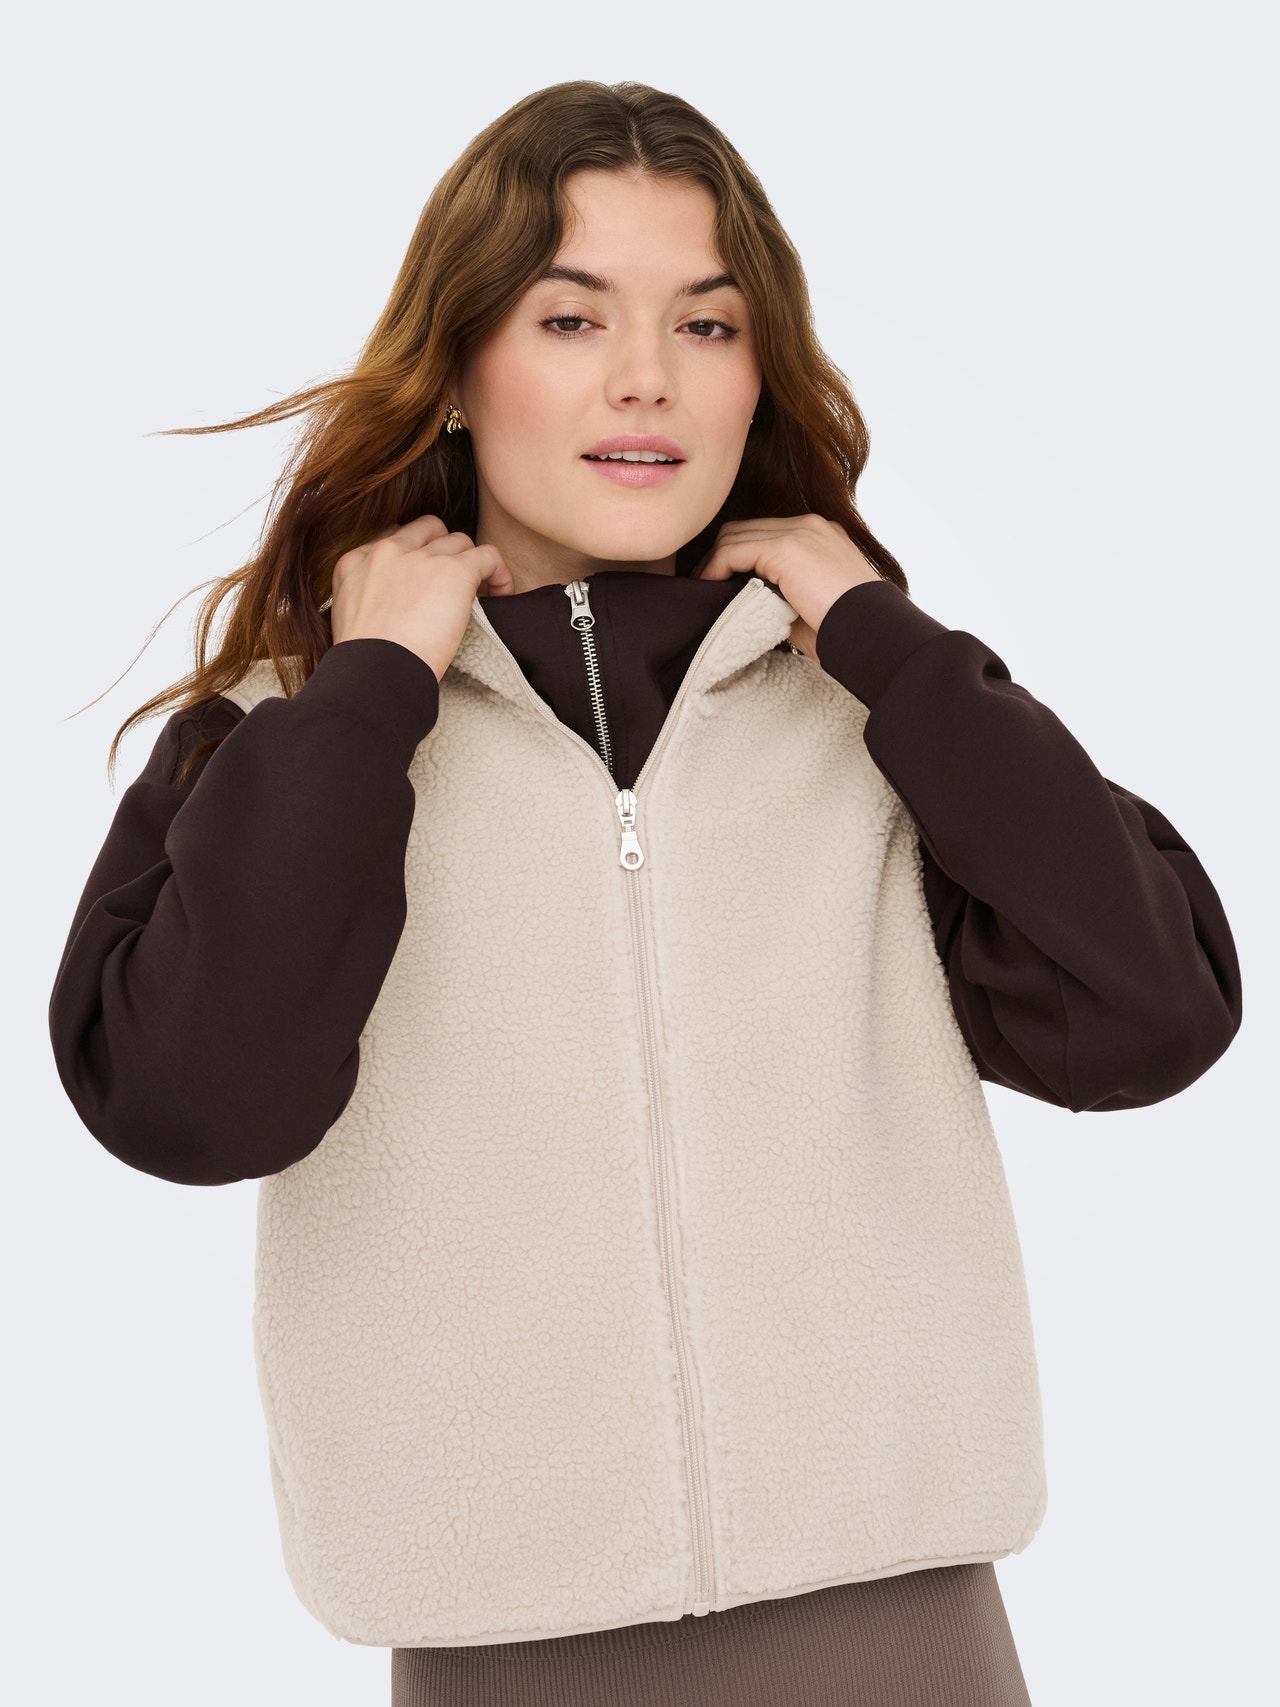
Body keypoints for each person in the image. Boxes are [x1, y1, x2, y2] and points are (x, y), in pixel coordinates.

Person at [48, 80, 1241, 1707]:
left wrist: (894, 650)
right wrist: (371, 693)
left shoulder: (881, 719)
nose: (645, 378)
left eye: (706, 323)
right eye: (569, 317)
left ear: (758, 377)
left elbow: (1156, 1012)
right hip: (501, 1646)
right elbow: (192, 1102)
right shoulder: (292, 735)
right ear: (458, 370)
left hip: (898, 1627)